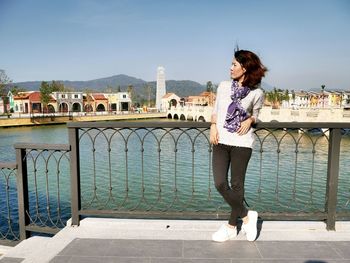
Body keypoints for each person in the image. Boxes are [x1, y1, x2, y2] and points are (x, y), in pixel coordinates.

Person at [210, 48, 266, 242]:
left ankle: (231, 227)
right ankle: (247, 216)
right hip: (220, 140)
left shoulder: (257, 93)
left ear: (245, 67)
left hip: (242, 142)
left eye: (234, 64)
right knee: (219, 183)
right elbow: (216, 109)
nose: (230, 67)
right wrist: (212, 127)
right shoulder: (223, 86)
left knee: (236, 184)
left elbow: (256, 114)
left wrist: (250, 120)